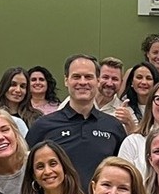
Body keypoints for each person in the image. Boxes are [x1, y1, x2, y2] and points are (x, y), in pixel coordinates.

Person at [27, 54, 127, 183]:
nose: (83, 82)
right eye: (76, 76)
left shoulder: (114, 126)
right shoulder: (43, 125)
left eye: (89, 77)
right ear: (66, 80)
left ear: (97, 81)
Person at [113, 61, 158, 132]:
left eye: (148, 78)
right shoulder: (124, 106)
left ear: (155, 83)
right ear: (132, 82)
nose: (143, 82)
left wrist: (130, 122)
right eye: (139, 77)